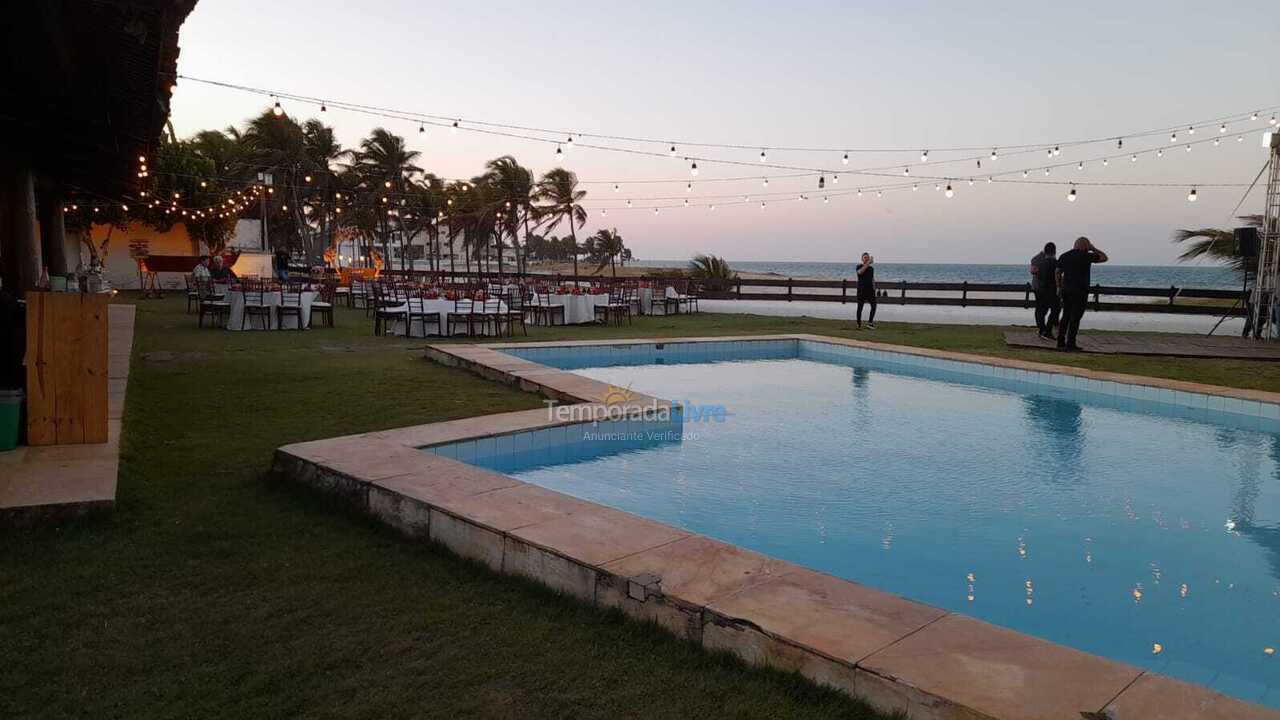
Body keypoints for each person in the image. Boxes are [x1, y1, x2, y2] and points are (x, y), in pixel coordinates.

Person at [1055, 237, 1108, 351]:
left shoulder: (1064, 256)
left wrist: (1059, 286)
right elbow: (1104, 258)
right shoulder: (1086, 256)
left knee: (1065, 316)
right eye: (1088, 246)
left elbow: (1058, 272)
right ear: (1085, 246)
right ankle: (1070, 343)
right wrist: (1093, 248)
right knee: (1075, 317)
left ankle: (1060, 341)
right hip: (1080, 291)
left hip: (1066, 290)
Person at [1029, 242, 1059, 340]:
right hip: (1046, 288)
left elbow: (1034, 271)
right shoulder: (1052, 261)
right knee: (1052, 309)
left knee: (1041, 309)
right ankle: (1045, 329)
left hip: (1040, 288)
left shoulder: (1037, 260)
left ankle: (1043, 329)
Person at [856, 252, 876, 329]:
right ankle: (858, 324)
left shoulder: (871, 269)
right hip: (861, 291)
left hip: (870, 291)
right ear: (862, 259)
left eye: (868, 257)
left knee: (874, 306)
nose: (866, 259)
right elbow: (860, 272)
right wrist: (868, 263)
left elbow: (872, 279)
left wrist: (874, 288)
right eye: (865, 257)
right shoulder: (859, 266)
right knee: (860, 308)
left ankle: (870, 323)